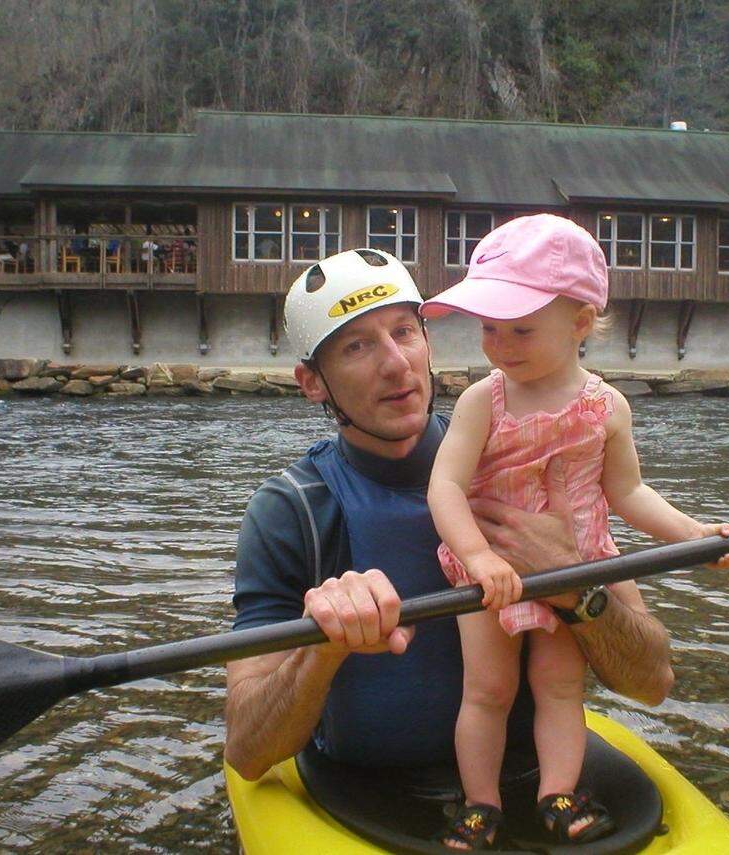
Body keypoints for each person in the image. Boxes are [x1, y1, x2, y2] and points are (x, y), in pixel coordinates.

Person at [223, 247, 685, 841]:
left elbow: (652, 683)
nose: (396, 364)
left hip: (538, 785)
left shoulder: (537, 463)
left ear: (428, 342)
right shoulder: (292, 511)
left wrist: (576, 588)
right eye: (357, 346)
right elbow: (249, 749)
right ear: (312, 382)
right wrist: (324, 646)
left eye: (404, 333)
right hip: (370, 796)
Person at [420, 214, 729, 848]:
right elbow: (445, 486)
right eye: (489, 329)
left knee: (561, 688)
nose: (501, 345)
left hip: (579, 566)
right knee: (488, 690)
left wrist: (694, 536)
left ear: (581, 322)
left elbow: (628, 493)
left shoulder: (606, 407)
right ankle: (479, 803)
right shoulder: (486, 400)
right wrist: (479, 557)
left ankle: (558, 796)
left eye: (520, 329)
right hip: (495, 570)